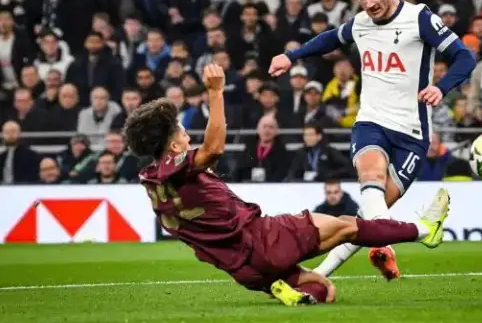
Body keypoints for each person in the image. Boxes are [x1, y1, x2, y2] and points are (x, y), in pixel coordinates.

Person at [124, 64, 450, 306]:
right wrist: (216, 92)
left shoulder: (152, 182)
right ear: (174, 148)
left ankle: (285, 291)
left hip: (245, 271)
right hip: (262, 240)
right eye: (182, 133)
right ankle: (424, 229)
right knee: (349, 226)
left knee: (325, 290)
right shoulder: (175, 168)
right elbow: (214, 149)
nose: (187, 135)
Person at [268, 0, 471, 280]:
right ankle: (400, 242)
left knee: (368, 218)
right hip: (371, 122)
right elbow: (331, 39)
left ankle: (322, 272)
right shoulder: (361, 23)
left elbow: (465, 56)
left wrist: (441, 87)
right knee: (370, 176)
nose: (369, 3)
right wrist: (291, 56)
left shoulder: (419, 18)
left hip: (412, 132)